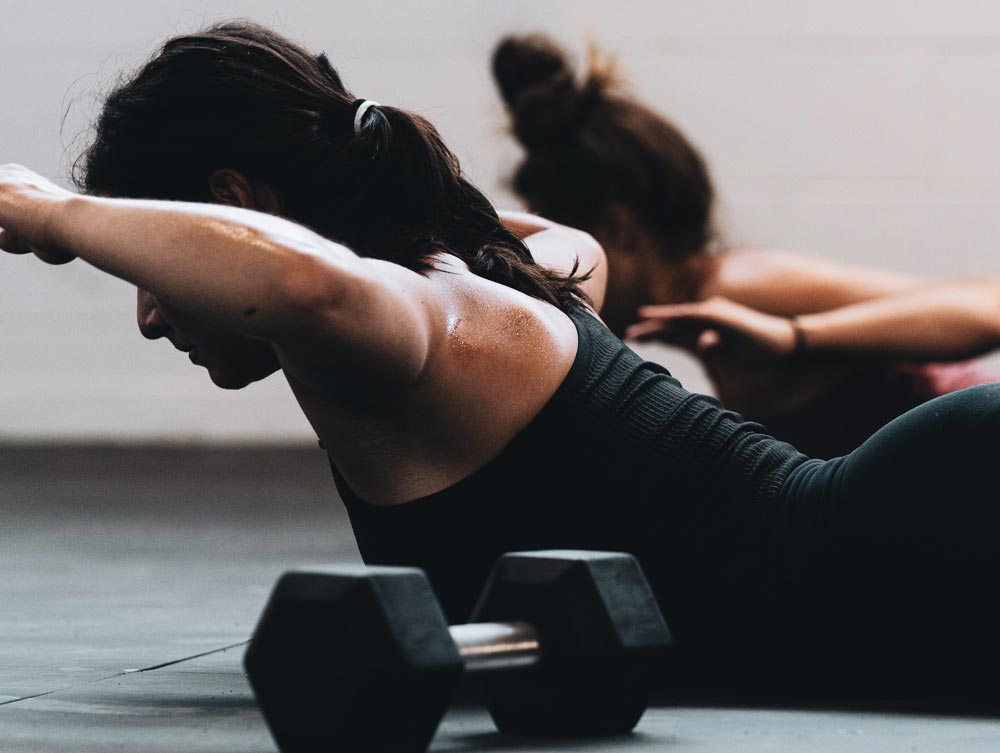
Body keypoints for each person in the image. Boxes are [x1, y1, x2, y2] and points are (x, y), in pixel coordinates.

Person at [4, 19, 1000, 703]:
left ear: (239, 205)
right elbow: (568, 242)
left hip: (927, 544)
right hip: (925, 545)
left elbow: (309, 286)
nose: (147, 312)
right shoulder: (505, 267)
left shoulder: (407, 325)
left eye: (151, 261)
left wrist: (55, 218)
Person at [490, 32, 1000, 458]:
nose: (550, 272)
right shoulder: (714, 327)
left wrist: (793, 336)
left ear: (619, 228)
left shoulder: (738, 284)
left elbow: (988, 308)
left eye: (559, 241)